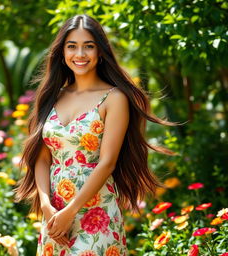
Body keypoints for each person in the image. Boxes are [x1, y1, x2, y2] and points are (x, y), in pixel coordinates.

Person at [14, 14, 182, 256]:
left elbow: (107, 162)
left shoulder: (114, 98)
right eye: (72, 46)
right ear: (62, 52)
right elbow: (42, 158)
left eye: (88, 46)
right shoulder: (52, 96)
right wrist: (46, 205)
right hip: (54, 214)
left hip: (96, 212)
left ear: (100, 52)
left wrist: (70, 211)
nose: (79, 54)